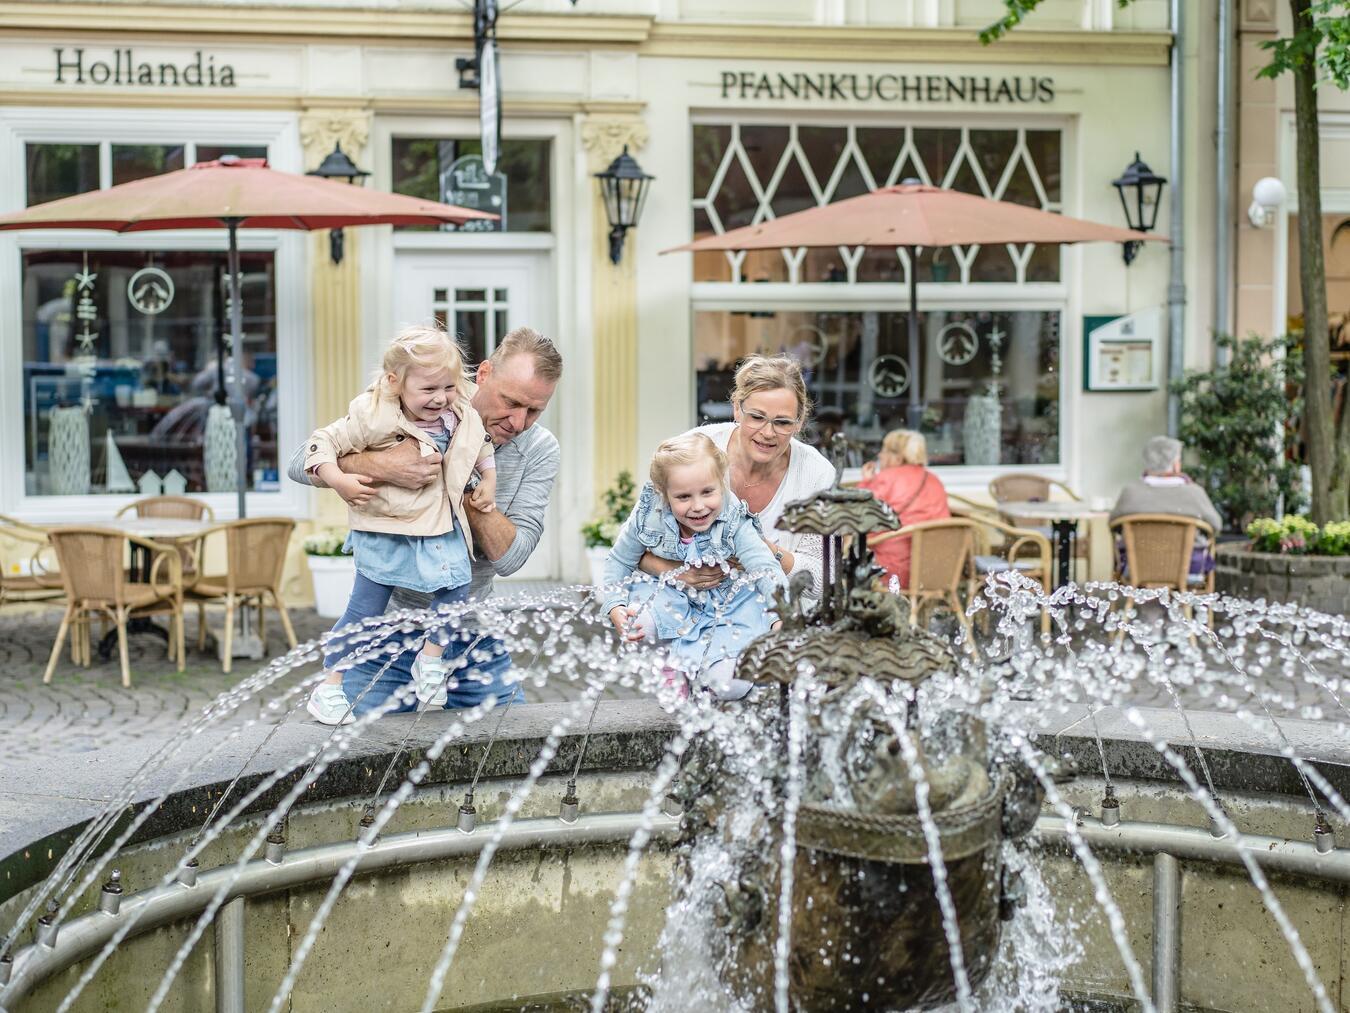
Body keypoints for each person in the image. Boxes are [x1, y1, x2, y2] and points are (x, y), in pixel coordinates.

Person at [288, 326, 562, 718]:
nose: (518, 422)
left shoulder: (538, 449)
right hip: (388, 633)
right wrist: (384, 465)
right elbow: (300, 462)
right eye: (511, 402)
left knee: (515, 749)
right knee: (347, 758)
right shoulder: (419, 400)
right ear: (483, 374)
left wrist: (461, 479)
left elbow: (510, 557)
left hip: (470, 635)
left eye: (534, 410)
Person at [603, 433, 785, 700]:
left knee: (732, 687)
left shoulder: (734, 520)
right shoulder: (648, 515)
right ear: (664, 495)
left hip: (726, 610)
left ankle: (705, 676)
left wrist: (782, 616)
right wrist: (614, 605)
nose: (698, 506)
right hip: (673, 599)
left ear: (722, 483)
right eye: (684, 497)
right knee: (636, 623)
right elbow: (619, 560)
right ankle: (670, 667)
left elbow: (765, 567)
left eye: (708, 492)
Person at [641, 354, 834, 600]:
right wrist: (677, 573)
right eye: (756, 417)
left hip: (779, 623)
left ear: (799, 422)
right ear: (737, 409)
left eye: (783, 422)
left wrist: (767, 552)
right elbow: (635, 547)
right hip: (691, 618)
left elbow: (825, 582)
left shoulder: (817, 475)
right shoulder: (695, 449)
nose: (768, 433)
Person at [1110, 435, 1222, 576]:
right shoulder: (1194, 493)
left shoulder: (1130, 492)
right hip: (1187, 568)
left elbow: (1113, 524)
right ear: (1176, 465)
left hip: (1138, 567)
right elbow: (1216, 525)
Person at [857, 429, 951, 588]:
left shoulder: (885, 479)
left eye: (884, 450)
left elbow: (859, 516)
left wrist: (866, 483)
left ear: (898, 457)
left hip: (891, 570)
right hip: (935, 570)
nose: (879, 455)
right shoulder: (935, 480)